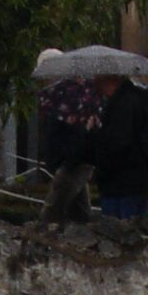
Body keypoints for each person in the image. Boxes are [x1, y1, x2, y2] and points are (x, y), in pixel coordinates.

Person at [86, 73, 148, 222]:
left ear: (110, 81)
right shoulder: (141, 99)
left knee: (118, 231)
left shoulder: (122, 105)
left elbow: (119, 143)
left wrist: (95, 134)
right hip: (138, 180)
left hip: (121, 182)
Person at [36, 70, 100, 226]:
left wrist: (63, 159)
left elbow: (62, 136)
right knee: (80, 210)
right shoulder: (77, 97)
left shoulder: (65, 98)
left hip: (72, 162)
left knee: (52, 211)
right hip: (74, 159)